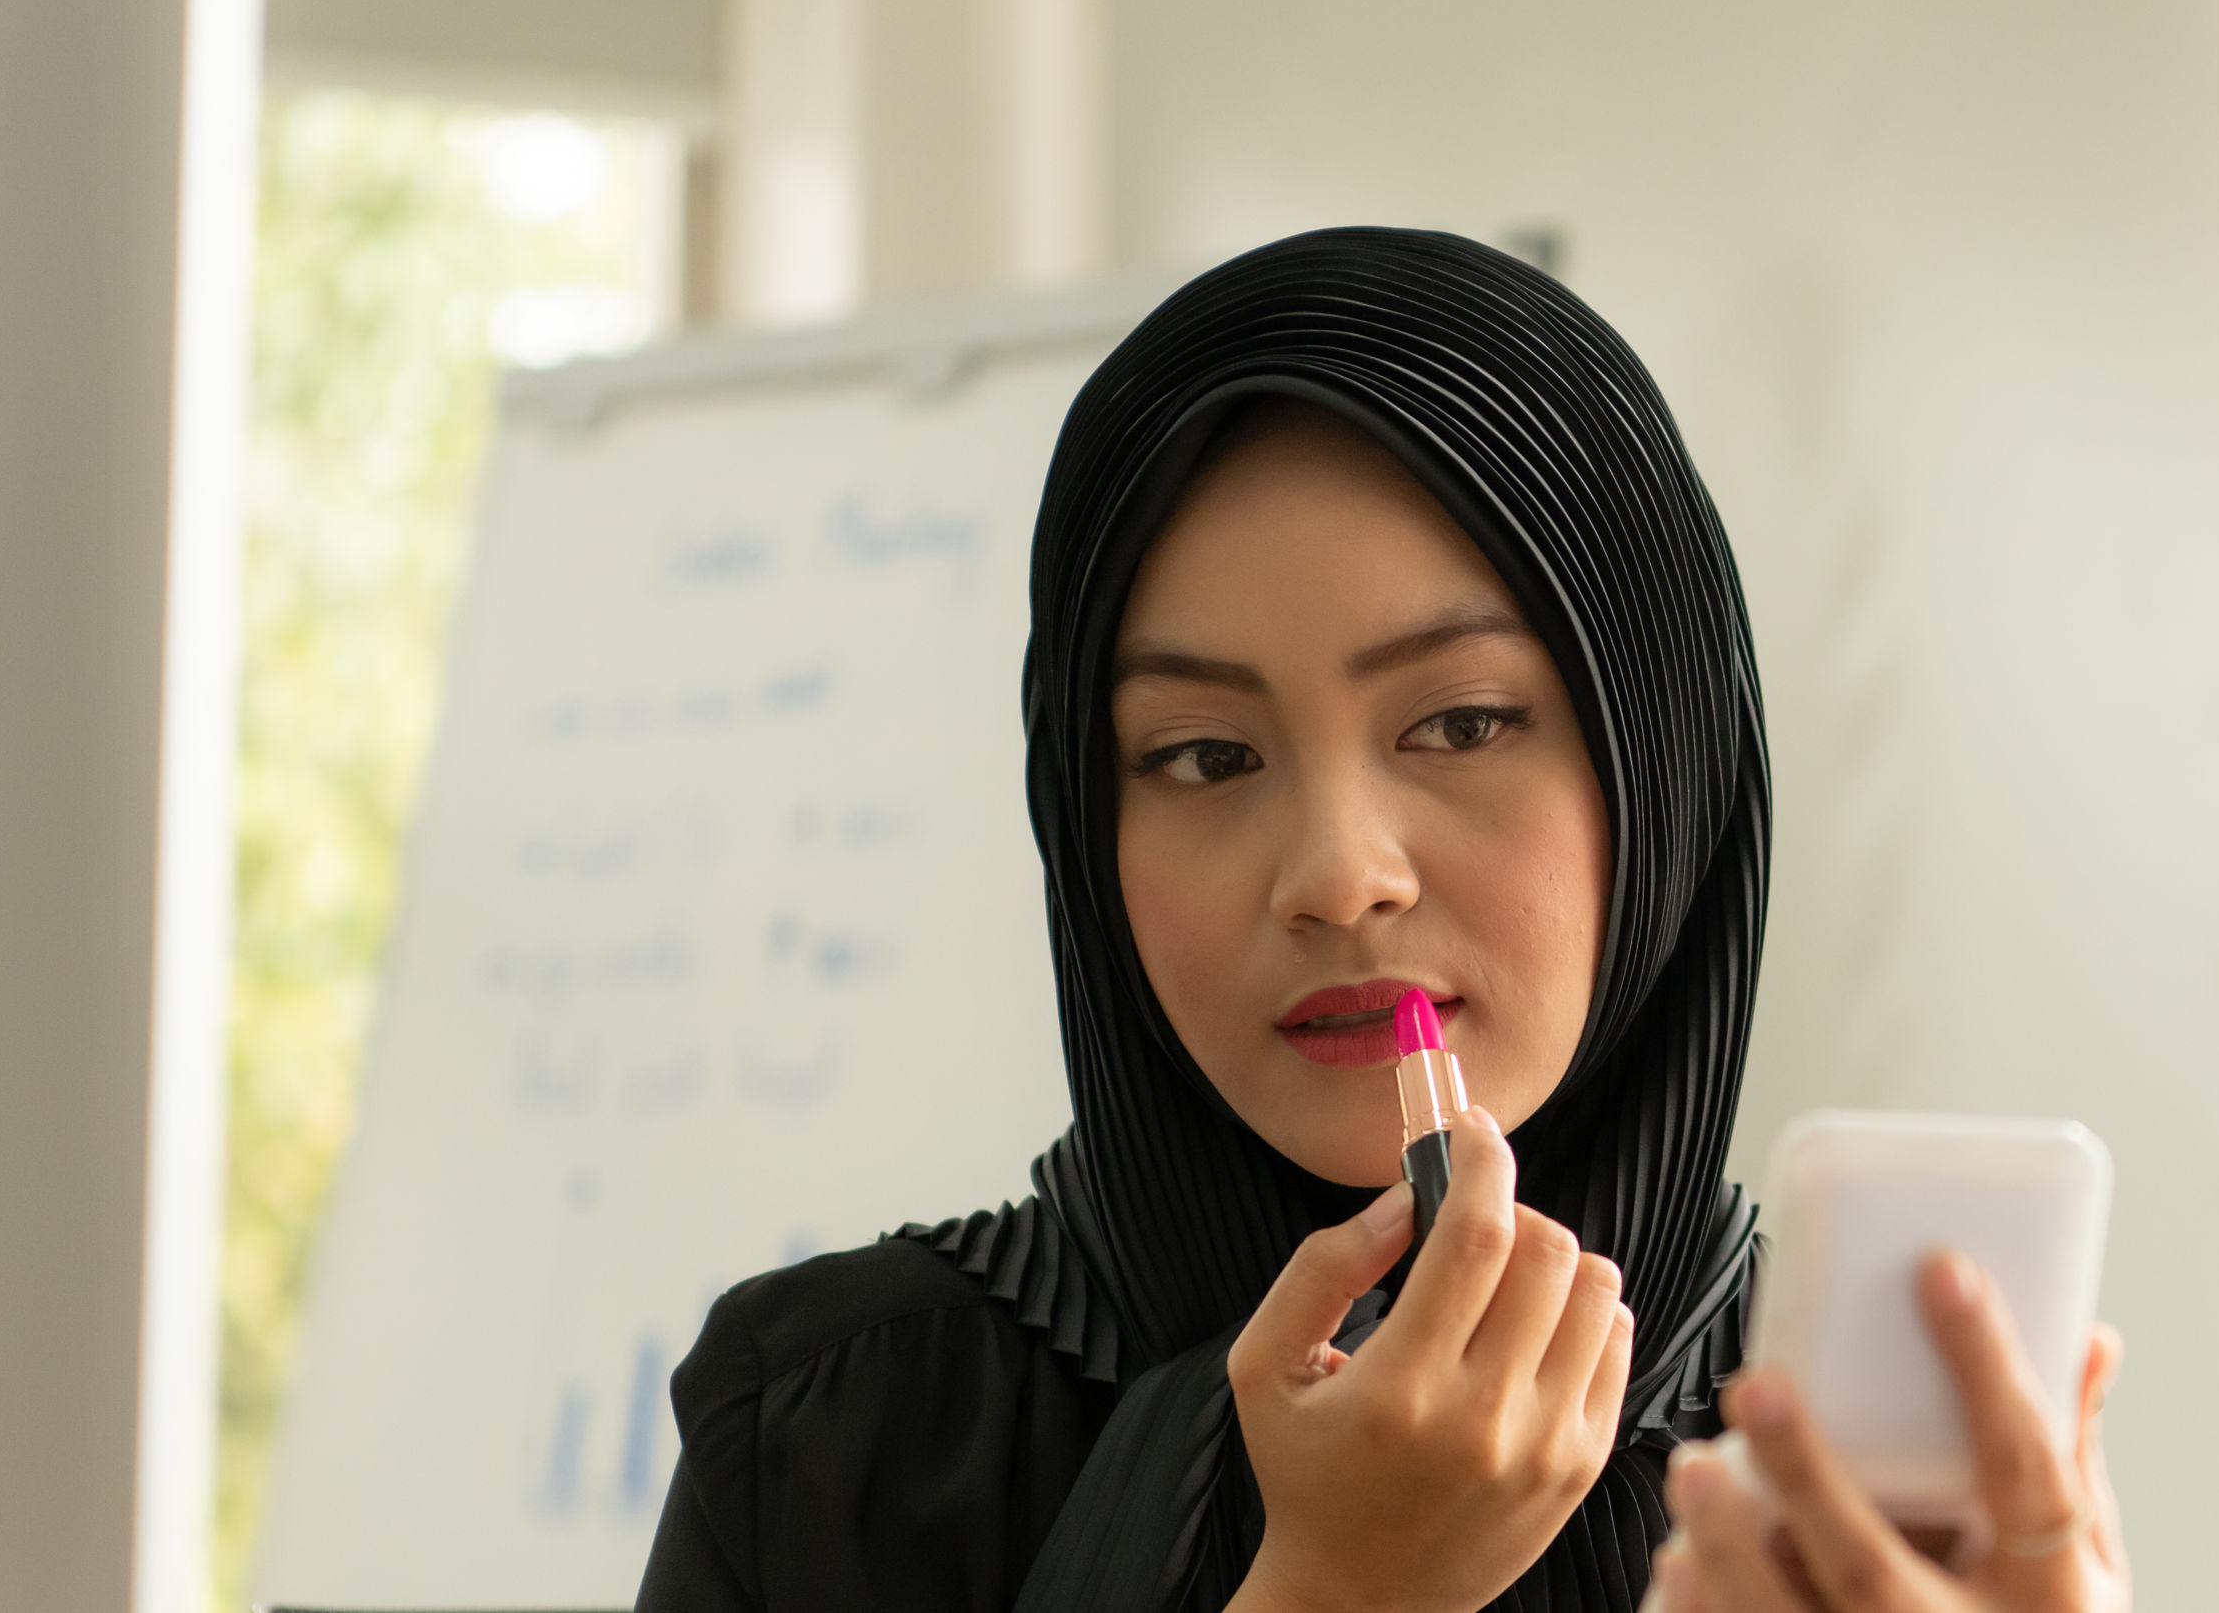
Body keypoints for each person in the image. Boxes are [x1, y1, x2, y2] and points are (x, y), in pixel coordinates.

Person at [631, 227, 2126, 1613]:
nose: (1341, 875)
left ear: (1660, 763)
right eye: (1206, 756)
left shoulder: (1873, 1453)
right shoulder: (835, 1429)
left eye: (1464, 723)